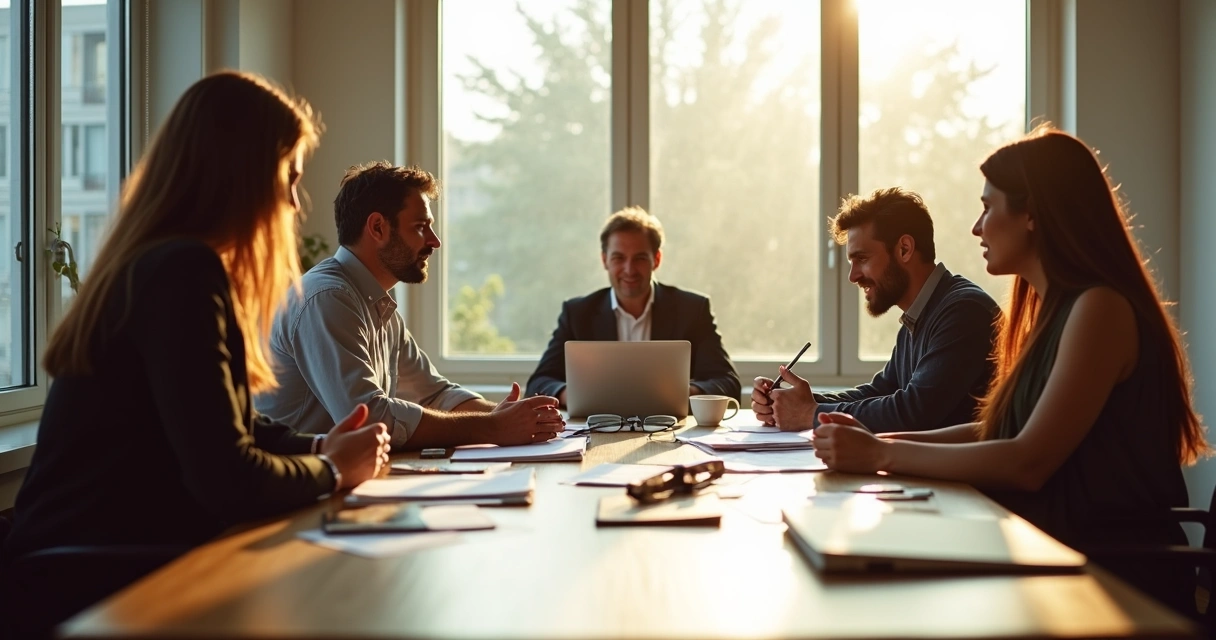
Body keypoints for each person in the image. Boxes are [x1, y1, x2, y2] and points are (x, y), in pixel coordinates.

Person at [0, 71, 390, 634]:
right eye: (288, 176)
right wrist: (331, 469)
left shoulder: (159, 264)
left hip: (97, 568)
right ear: (243, 174)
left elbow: (231, 422)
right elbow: (227, 477)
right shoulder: (182, 271)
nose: (293, 200)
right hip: (86, 590)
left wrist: (319, 445)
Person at [810, 127, 1209, 616]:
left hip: (1106, 578)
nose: (977, 227)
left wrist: (880, 454)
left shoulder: (1099, 309)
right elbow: (995, 429)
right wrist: (882, 446)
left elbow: (1026, 461)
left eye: (988, 207)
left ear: (1033, 215)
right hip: (1050, 546)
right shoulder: (1051, 311)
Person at [255, 162, 563, 450]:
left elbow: (434, 393)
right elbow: (370, 418)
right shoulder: (327, 298)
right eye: (420, 226)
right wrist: (493, 427)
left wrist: (503, 414)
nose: (434, 241)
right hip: (298, 498)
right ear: (377, 228)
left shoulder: (377, 304)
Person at [751, 188, 999, 433]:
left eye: (862, 258)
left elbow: (914, 412)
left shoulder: (964, 312)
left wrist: (810, 414)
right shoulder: (920, 315)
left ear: (904, 249)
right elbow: (880, 392)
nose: (852, 276)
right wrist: (795, 402)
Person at [526, 206, 740, 404]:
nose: (629, 269)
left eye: (639, 258)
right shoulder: (578, 313)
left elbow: (728, 383)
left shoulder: (692, 310)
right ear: (604, 260)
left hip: (669, 431)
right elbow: (538, 384)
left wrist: (685, 393)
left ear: (656, 259)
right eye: (618, 258)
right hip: (597, 428)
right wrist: (571, 394)